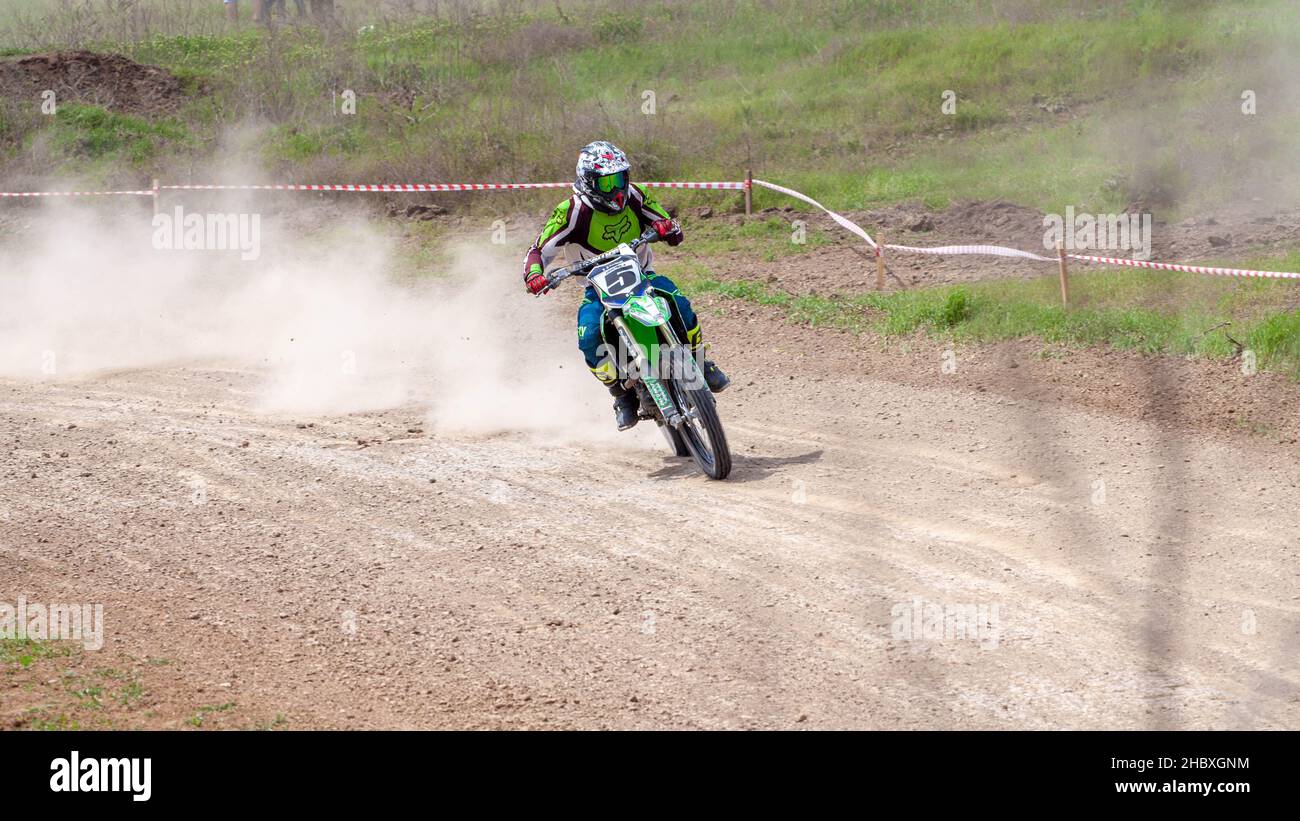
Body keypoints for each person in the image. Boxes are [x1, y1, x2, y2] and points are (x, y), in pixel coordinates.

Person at [524, 141, 729, 430]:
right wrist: (536, 274)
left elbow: (671, 228)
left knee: (678, 303)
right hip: (599, 290)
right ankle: (621, 394)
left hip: (642, 277)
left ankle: (700, 362)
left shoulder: (636, 196)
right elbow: (539, 250)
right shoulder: (571, 211)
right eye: (607, 183)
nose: (616, 189)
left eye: (620, 178)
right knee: (589, 336)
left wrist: (668, 229)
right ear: (589, 182)